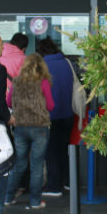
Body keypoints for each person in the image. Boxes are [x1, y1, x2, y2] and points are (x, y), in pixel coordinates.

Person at [6, 53, 55, 210]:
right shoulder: (43, 82)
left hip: (20, 126)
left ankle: (8, 197)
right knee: (37, 165)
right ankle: (35, 201)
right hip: (40, 127)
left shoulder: (16, 81)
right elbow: (50, 105)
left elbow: (9, 102)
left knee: (19, 164)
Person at [36, 38, 73, 197]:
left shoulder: (42, 66)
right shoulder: (66, 63)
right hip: (67, 114)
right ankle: (68, 182)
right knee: (64, 150)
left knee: (51, 152)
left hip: (49, 115)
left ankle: (54, 187)